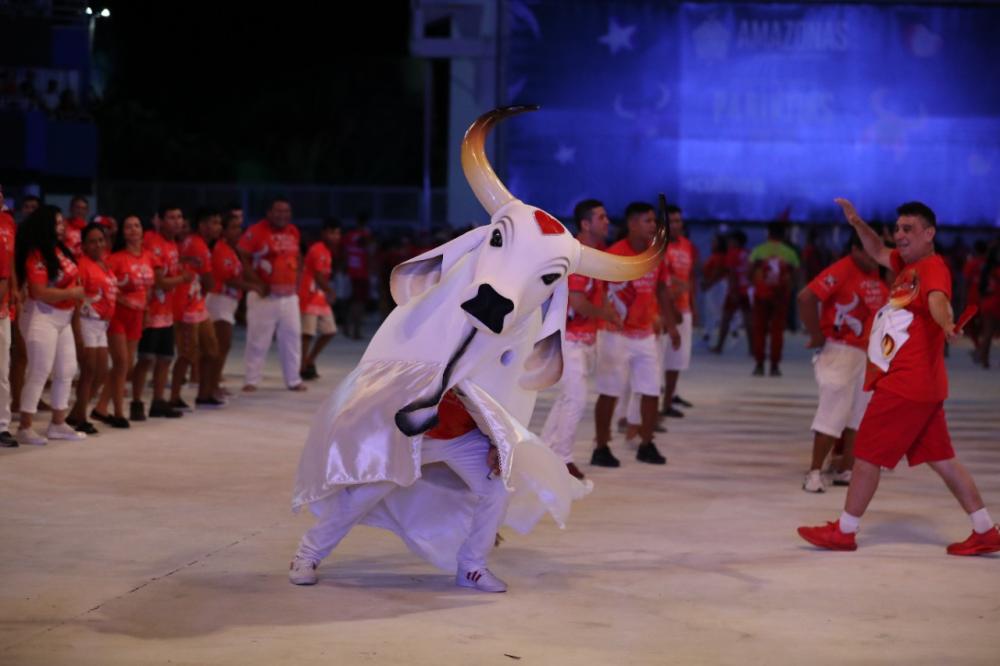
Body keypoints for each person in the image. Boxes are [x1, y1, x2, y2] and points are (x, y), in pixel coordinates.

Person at [798, 199, 1000, 556]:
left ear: (929, 233)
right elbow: (876, 248)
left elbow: (939, 300)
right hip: (924, 387)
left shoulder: (932, 268)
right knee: (944, 461)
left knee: (867, 456)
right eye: (898, 228)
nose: (899, 235)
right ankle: (985, 529)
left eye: (908, 229)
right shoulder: (907, 266)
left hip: (906, 385)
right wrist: (857, 222)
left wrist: (946, 322)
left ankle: (845, 531)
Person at [289, 389, 510, 592]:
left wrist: (496, 441)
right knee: (362, 496)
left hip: (463, 435)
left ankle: (472, 566)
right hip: (408, 433)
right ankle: (307, 554)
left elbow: (496, 390)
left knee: (496, 489)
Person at [797, 230, 888, 493]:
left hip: (867, 353)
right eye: (870, 254)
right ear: (855, 250)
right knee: (832, 412)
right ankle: (814, 472)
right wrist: (815, 334)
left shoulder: (874, 274)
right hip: (841, 351)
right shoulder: (842, 269)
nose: (876, 260)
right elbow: (805, 297)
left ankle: (846, 468)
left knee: (858, 415)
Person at [592, 202, 678, 467]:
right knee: (609, 392)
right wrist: (604, 315)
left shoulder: (655, 254)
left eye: (654, 221)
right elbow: (599, 290)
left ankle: (646, 442)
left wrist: (671, 323)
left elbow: (662, 289)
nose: (653, 225)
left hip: (644, 336)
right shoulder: (615, 255)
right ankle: (602, 446)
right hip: (615, 334)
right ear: (631, 224)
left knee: (651, 390)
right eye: (647, 221)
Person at [540, 199, 620, 479]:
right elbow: (577, 301)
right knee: (575, 398)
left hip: (582, 338)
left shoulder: (592, 254)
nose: (607, 221)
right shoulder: (577, 256)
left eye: (606, 216)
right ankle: (562, 458)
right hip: (569, 337)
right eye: (601, 217)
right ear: (585, 224)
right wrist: (606, 314)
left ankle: (545, 454)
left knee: (568, 398)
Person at [14, 206, 87, 445]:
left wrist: (75, 294)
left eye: (62, 221)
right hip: (42, 316)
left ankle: (58, 423)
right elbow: (39, 291)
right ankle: (24, 427)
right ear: (45, 225)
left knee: (66, 370)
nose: (62, 226)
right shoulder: (36, 254)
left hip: (63, 318)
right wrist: (72, 291)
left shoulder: (60, 250)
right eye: (57, 222)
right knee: (39, 371)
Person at [131, 205, 193, 420]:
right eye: (171, 217)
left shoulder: (172, 243)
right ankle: (136, 401)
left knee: (165, 358)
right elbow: (158, 282)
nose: (177, 222)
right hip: (151, 310)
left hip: (167, 311)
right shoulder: (152, 241)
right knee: (146, 358)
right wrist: (183, 279)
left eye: (179, 217)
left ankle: (158, 401)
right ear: (159, 220)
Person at [238, 197, 306, 392]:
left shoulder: (293, 231)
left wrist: (298, 280)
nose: (282, 215)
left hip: (289, 295)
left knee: (292, 338)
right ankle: (251, 379)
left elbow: (297, 257)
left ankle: (293, 379)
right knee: (258, 340)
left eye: (286, 211)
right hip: (264, 296)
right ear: (268, 213)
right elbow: (241, 255)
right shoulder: (256, 231)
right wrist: (256, 283)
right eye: (278, 211)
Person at [66, 223, 118, 434]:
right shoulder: (83, 265)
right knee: (88, 372)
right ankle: (81, 417)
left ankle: (76, 414)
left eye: (100, 240)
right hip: (87, 322)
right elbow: (78, 299)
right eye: (92, 241)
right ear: (84, 245)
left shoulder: (104, 264)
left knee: (101, 372)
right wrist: (77, 330)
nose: (97, 244)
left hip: (102, 325)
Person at [170, 207, 223, 408]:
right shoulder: (198, 246)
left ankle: (204, 393)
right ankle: (174, 396)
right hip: (186, 306)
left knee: (210, 350)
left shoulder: (197, 243)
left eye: (219, 223)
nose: (218, 227)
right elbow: (210, 282)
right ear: (202, 225)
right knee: (187, 353)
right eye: (214, 222)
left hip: (196, 304)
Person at [207, 210, 258, 401]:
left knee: (222, 346)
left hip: (229, 302)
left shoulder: (230, 249)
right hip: (219, 301)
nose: (239, 231)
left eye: (240, 227)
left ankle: (214, 384)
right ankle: (211, 386)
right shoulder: (220, 249)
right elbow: (228, 279)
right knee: (221, 346)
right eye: (234, 228)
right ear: (224, 231)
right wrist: (253, 287)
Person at [748, 222, 800, 376]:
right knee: (777, 331)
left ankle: (759, 365)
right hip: (781, 296)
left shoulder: (759, 250)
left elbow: (749, 271)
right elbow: (797, 274)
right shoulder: (789, 253)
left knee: (759, 329)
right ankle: (775, 366)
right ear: (783, 235)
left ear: (768, 233)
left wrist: (756, 284)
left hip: (761, 295)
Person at [659, 205, 697, 418]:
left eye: (678, 221)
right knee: (658, 360)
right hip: (664, 310)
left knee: (678, 359)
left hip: (684, 309)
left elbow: (690, 278)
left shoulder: (687, 246)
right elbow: (661, 279)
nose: (676, 225)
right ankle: (652, 408)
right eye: (671, 221)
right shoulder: (659, 247)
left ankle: (667, 402)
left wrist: (693, 305)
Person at [299, 218, 340, 381]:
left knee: (330, 331)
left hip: (319, 296)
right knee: (307, 333)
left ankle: (309, 360)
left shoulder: (328, 251)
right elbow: (317, 275)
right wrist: (330, 291)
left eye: (337, 233)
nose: (335, 236)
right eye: (332, 232)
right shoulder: (317, 249)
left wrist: (327, 291)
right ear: (323, 233)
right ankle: (302, 366)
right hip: (308, 295)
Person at [712, 229, 752, 354]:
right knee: (748, 320)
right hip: (746, 289)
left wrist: (734, 291)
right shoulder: (747, 253)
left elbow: (731, 273)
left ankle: (719, 346)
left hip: (735, 290)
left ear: (735, 241)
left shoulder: (732, 253)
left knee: (726, 319)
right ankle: (752, 348)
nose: (728, 242)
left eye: (730, 240)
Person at [0, 187, 16, 446]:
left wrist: (14, 291)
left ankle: (1, 425)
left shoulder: (8, 222)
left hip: (2, 308)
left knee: (2, 370)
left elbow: (9, 262)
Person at [343, 213, 373, 340]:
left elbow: (344, 253)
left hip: (350, 273)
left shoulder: (348, 236)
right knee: (359, 303)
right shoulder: (365, 236)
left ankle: (347, 325)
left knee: (351, 301)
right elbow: (369, 252)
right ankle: (356, 330)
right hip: (361, 274)